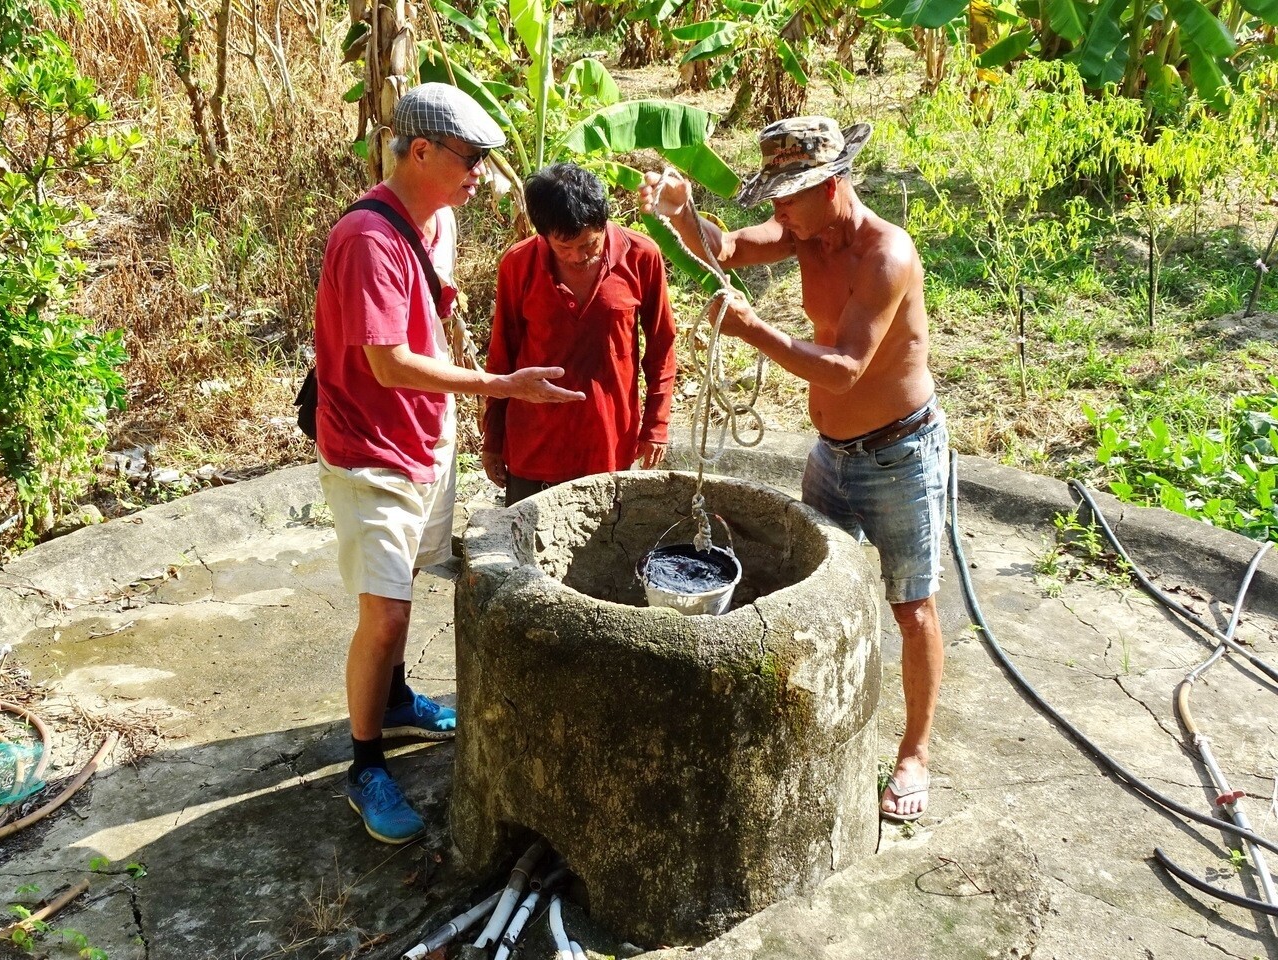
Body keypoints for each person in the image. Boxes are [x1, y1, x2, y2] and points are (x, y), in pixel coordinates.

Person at [639, 118, 948, 822]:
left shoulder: (885, 255)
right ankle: (828, 719)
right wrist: (681, 209)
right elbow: (721, 247)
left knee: (912, 605)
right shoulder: (803, 232)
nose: (775, 212)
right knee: (819, 584)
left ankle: (914, 755)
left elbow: (843, 370)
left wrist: (751, 328)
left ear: (831, 184)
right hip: (832, 454)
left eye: (787, 196)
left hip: (900, 454)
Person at [314, 83, 585, 844]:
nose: (480, 174)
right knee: (386, 610)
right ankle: (364, 765)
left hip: (425, 438)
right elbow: (390, 364)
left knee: (408, 584)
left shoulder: (441, 222)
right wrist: (502, 386)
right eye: (469, 159)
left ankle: (395, 699)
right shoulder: (369, 239)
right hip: (372, 448)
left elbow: (430, 321)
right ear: (421, 151)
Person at [482, 163, 677, 504]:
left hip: (608, 442)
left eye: (589, 245)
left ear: (604, 223)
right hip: (534, 445)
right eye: (564, 248)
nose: (578, 257)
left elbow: (661, 346)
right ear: (543, 234)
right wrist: (493, 439)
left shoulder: (642, 256)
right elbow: (502, 356)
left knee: (604, 547)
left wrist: (656, 425)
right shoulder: (517, 264)